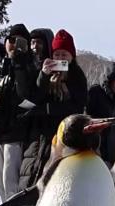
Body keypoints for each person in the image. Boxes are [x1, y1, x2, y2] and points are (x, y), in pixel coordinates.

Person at [20, 29, 88, 189]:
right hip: (39, 134)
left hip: (64, 135)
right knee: (31, 175)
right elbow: (33, 97)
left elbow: (78, 106)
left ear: (72, 56)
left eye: (65, 55)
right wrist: (43, 75)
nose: (60, 58)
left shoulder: (77, 76)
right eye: (57, 54)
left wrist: (48, 109)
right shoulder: (43, 72)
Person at [0, 23, 40, 203]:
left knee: (11, 178)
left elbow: (26, 94)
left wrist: (20, 62)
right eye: (11, 40)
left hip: (16, 129)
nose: (13, 44)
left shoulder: (30, 66)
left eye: (19, 41)